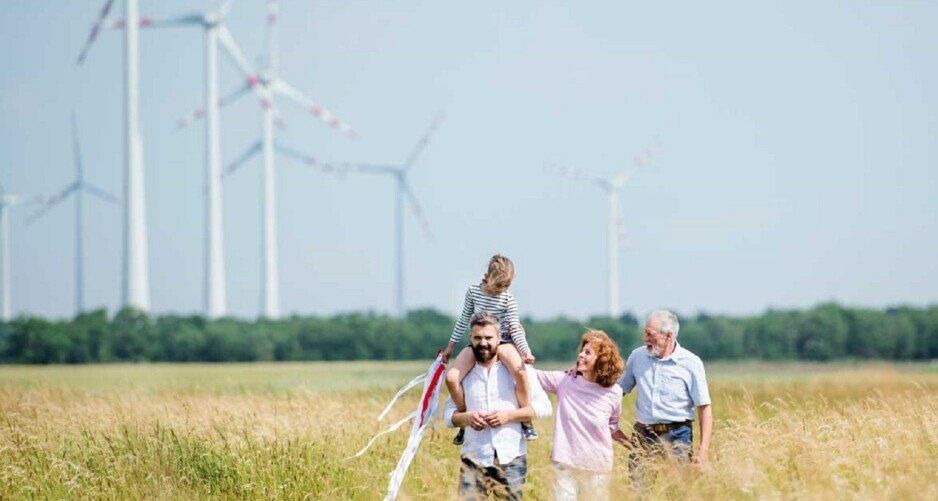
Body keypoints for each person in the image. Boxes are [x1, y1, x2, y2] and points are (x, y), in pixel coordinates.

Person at [444, 311, 552, 500]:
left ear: (499, 338)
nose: (483, 343)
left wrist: (509, 416)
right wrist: (466, 418)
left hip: (511, 457)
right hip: (473, 457)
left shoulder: (519, 370)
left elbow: (544, 407)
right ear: (470, 339)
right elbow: (448, 415)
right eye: (477, 338)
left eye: (488, 337)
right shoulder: (464, 372)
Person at [443, 254, 538, 445]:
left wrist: (525, 351)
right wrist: (450, 346)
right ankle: (464, 421)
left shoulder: (508, 299)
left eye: (506, 286)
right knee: (452, 378)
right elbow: (464, 319)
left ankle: (526, 422)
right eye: (499, 285)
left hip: (502, 341)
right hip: (479, 342)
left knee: (520, 373)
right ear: (488, 277)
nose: (501, 290)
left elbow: (514, 327)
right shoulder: (473, 292)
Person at [614, 310, 713, 472]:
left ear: (668, 335)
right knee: (638, 491)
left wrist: (703, 451)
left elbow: (704, 407)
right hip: (643, 434)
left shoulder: (691, 363)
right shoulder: (637, 357)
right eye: (644, 333)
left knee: (677, 492)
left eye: (650, 334)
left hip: (678, 435)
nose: (645, 338)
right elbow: (618, 390)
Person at [536, 330, 624, 501]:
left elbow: (612, 426)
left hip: (597, 467)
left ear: (602, 360)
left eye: (588, 352)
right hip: (565, 463)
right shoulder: (565, 380)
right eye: (582, 350)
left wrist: (636, 446)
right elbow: (530, 375)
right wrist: (515, 343)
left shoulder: (614, 392)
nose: (581, 355)